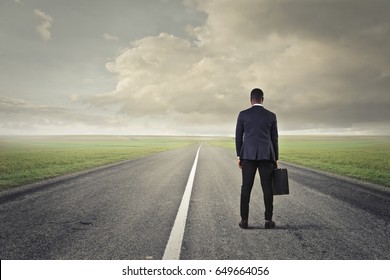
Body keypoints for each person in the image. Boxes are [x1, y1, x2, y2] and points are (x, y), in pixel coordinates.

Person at [235, 88, 279, 229]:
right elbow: (274, 139)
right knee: (267, 188)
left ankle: (244, 221)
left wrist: (239, 155)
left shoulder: (243, 115)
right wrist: (275, 158)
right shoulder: (271, 116)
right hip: (266, 156)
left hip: (247, 155)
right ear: (262, 99)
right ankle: (268, 221)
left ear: (251, 99)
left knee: (246, 188)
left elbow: (238, 137)